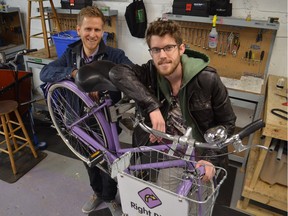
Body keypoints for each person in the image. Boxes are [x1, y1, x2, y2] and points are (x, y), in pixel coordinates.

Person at [109, 19, 236, 183]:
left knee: (197, 206)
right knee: (166, 204)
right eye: (156, 50)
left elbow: (228, 123)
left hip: (202, 156)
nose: (162, 55)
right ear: (151, 53)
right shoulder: (150, 73)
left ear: (181, 48)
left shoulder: (207, 79)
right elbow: (117, 72)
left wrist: (210, 159)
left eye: (169, 48)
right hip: (170, 157)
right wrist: (152, 106)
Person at [40, 6, 132, 216]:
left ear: (103, 32)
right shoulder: (70, 54)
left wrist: (104, 85)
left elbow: (130, 74)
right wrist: (74, 73)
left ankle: (110, 197)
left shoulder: (114, 55)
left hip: (105, 122)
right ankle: (97, 193)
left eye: (97, 30)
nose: (93, 35)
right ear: (79, 29)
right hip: (78, 121)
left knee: (110, 163)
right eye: (88, 29)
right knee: (89, 160)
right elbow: (46, 72)